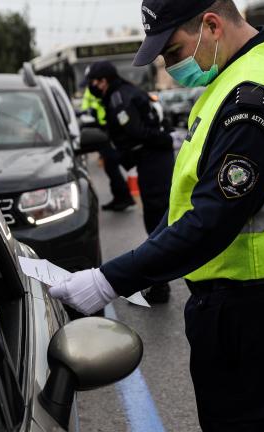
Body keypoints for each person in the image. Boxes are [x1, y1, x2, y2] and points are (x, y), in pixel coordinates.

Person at [50, 0, 264, 430]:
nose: (171, 64)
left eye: (175, 52)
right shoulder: (235, 79)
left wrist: (106, 281)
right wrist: (138, 261)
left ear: (212, 25)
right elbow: (190, 205)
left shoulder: (256, 102)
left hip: (257, 310)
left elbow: (210, 222)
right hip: (240, 301)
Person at [85, 60, 174, 303]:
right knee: (158, 223)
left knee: (156, 225)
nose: (92, 87)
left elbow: (136, 132)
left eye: (93, 82)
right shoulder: (124, 92)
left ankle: (159, 287)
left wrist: (164, 140)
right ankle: (159, 283)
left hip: (153, 161)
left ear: (103, 81)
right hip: (153, 160)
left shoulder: (119, 98)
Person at [80, 68, 136, 212]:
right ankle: (120, 197)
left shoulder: (111, 93)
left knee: (112, 167)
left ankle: (124, 197)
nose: (93, 85)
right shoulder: (93, 90)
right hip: (103, 128)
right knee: (110, 167)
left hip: (107, 130)